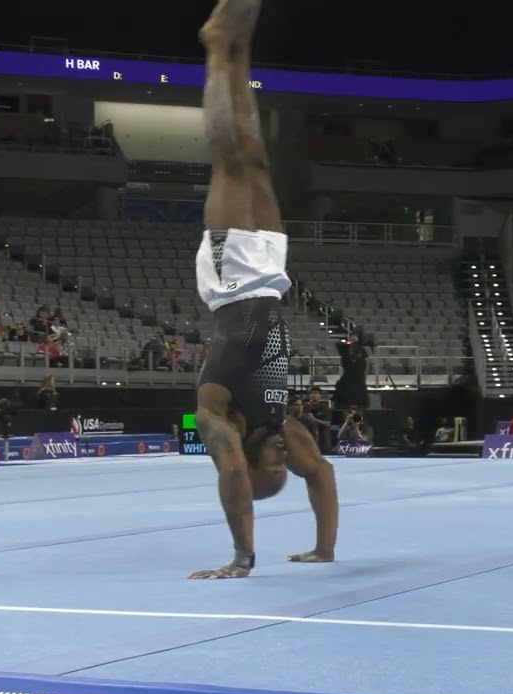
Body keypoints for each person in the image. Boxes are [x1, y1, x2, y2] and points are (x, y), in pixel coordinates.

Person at [189, 0, 339, 580]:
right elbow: (322, 474)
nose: (284, 453)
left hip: (231, 284)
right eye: (285, 461)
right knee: (257, 160)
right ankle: (240, 48)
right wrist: (324, 549)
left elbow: (229, 476)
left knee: (228, 160)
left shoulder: (216, 420)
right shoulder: (279, 427)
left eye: (272, 461)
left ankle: (214, 48)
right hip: (271, 276)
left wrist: (243, 557)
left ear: (247, 462)